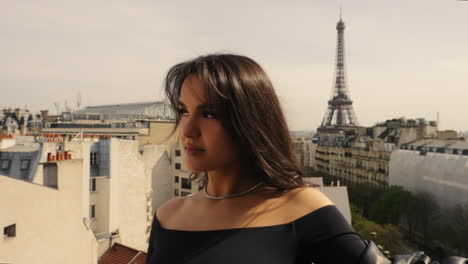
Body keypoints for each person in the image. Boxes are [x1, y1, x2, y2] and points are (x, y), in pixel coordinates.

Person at [145, 53, 387, 264]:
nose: (187, 129)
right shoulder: (167, 216)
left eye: (209, 113)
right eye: (183, 111)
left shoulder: (302, 207)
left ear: (250, 123)